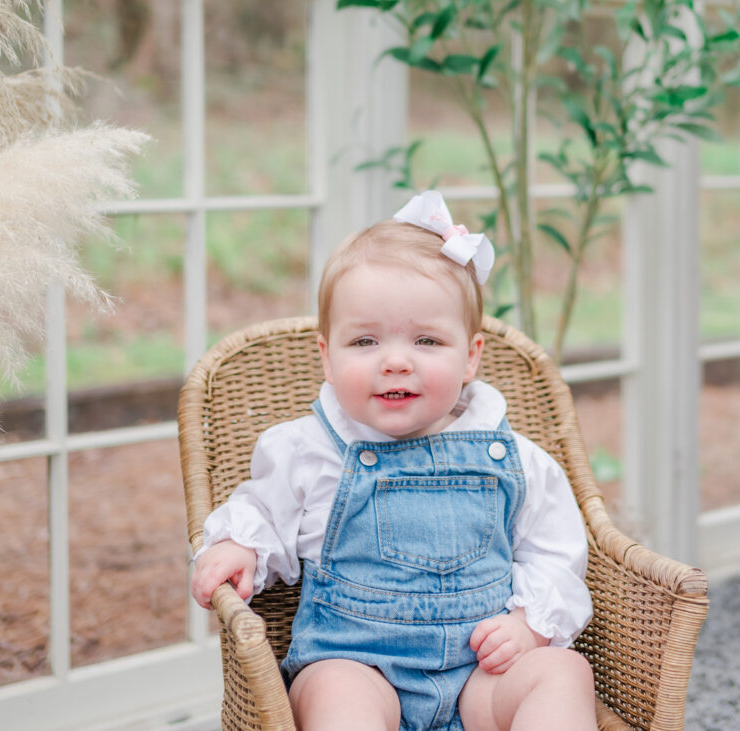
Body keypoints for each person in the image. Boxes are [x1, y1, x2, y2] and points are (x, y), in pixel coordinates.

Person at [192, 191, 597, 731]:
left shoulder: (514, 458)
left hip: (480, 672)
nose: (397, 361)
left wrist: (531, 623)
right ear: (327, 357)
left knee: (564, 672)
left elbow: (555, 552)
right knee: (335, 697)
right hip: (357, 664)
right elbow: (265, 510)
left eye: (428, 341)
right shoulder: (308, 449)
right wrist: (242, 543)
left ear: (470, 356)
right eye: (364, 341)